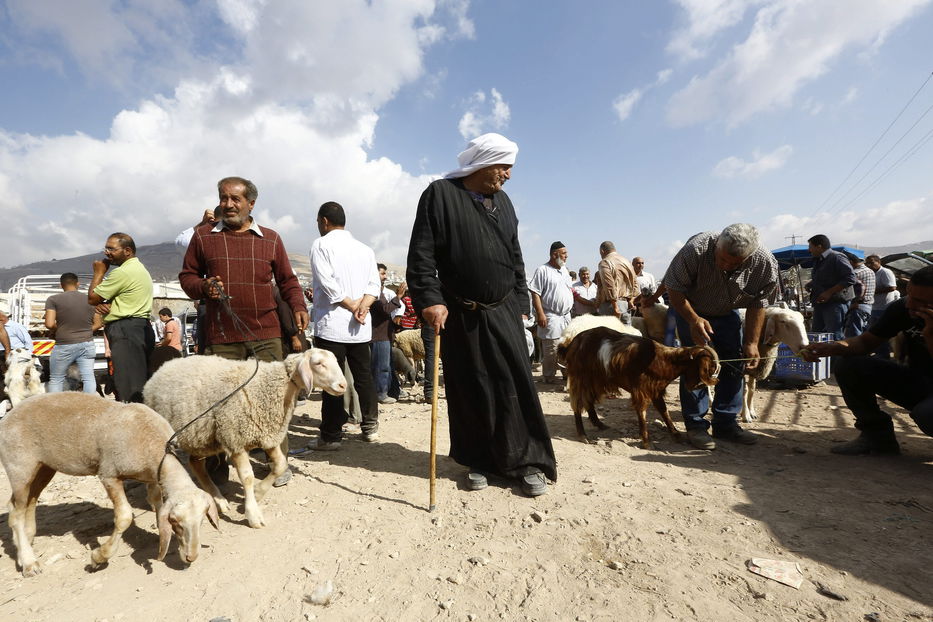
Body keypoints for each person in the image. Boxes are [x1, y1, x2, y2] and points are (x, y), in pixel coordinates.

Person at [407, 132, 556, 497]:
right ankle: (479, 460)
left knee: (514, 383)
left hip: (504, 309)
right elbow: (422, 254)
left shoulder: (503, 203)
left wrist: (522, 303)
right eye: (504, 166)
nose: (507, 175)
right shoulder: (439, 195)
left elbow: (515, 257)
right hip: (460, 311)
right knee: (471, 385)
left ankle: (526, 461)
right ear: (484, 163)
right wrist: (430, 299)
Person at [179, 176, 308, 487]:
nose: (228, 204)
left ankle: (277, 463)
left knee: (274, 400)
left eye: (235, 199)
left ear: (251, 203)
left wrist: (298, 305)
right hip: (221, 335)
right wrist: (203, 287)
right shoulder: (203, 237)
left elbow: (288, 280)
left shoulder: (271, 239)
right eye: (223, 198)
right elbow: (187, 276)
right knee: (217, 404)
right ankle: (216, 471)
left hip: (266, 333)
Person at [663, 223, 778, 450]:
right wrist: (694, 320)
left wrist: (752, 342)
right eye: (722, 259)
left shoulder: (764, 263)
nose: (725, 266)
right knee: (697, 365)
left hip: (727, 314)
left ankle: (726, 423)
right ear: (717, 245)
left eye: (735, 264)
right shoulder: (696, 250)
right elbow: (673, 288)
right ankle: (696, 426)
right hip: (691, 310)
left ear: (750, 257)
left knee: (733, 362)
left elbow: (759, 303)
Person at [800, 265, 933, 454]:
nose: (910, 304)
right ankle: (877, 437)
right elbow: (866, 342)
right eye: (910, 295)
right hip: (921, 382)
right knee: (850, 365)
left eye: (920, 301)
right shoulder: (902, 308)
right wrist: (834, 347)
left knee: (928, 414)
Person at [308, 201, 381, 448]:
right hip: (361, 327)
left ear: (324, 221)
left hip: (332, 327)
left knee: (332, 380)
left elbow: (328, 284)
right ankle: (370, 427)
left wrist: (352, 306)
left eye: (319, 222)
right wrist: (364, 306)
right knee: (364, 378)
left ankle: (331, 435)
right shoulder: (365, 249)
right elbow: (374, 286)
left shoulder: (321, 245)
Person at [88, 233, 155, 403]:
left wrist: (99, 272)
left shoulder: (123, 272)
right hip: (136, 327)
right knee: (137, 381)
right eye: (106, 248)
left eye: (111, 248)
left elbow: (92, 298)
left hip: (126, 330)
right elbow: (103, 300)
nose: (106, 253)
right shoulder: (138, 269)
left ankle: (135, 425)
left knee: (129, 386)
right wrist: (109, 303)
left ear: (127, 251)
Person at [44, 273, 101, 393]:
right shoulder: (90, 300)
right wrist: (85, 331)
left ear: (61, 285)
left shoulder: (53, 299)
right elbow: (98, 323)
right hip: (87, 343)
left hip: (64, 344)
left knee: (56, 379)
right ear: (78, 284)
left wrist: (58, 329)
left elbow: (49, 324)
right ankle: (89, 406)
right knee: (88, 378)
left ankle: (55, 409)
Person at [528, 241, 574, 383]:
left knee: (567, 346)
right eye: (564, 253)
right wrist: (540, 314)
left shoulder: (564, 270)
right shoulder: (542, 270)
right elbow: (535, 293)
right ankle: (549, 376)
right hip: (551, 316)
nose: (567, 256)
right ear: (555, 255)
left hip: (566, 316)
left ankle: (567, 374)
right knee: (552, 349)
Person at [805, 234, 856, 340]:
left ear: (819, 246)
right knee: (816, 335)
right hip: (820, 303)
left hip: (835, 303)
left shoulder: (837, 257)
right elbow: (824, 278)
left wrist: (829, 292)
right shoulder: (818, 260)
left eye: (810, 247)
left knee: (834, 335)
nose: (809, 250)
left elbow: (851, 278)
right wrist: (811, 284)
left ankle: (837, 357)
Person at [371, 263, 403, 404]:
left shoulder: (380, 291)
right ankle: (381, 393)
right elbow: (384, 310)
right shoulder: (373, 293)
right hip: (378, 334)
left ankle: (389, 390)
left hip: (384, 333)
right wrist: (399, 297)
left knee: (387, 365)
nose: (385, 277)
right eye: (383, 273)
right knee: (381, 366)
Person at [595, 241, 637, 324]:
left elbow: (609, 285)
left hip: (611, 306)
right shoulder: (627, 261)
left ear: (602, 251)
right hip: (626, 305)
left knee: (609, 335)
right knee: (626, 334)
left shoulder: (605, 262)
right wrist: (631, 301)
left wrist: (615, 307)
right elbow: (635, 283)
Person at [844, 253, 875, 338]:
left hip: (857, 306)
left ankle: (855, 351)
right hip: (868, 306)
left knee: (855, 334)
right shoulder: (870, 271)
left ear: (850, 262)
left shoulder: (855, 273)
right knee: (864, 333)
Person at [865, 254, 900, 323]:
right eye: (867, 263)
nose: (869, 265)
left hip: (883, 307)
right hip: (874, 306)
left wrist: (872, 291)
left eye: (871, 263)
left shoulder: (885, 272)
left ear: (878, 262)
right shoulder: (871, 273)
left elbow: (892, 287)